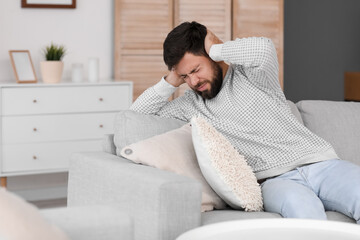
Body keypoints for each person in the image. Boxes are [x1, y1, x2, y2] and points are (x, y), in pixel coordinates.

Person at [130, 21, 360, 223]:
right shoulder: (190, 105)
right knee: (305, 214)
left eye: (195, 70)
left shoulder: (253, 74)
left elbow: (263, 48)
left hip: (322, 164)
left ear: (211, 56)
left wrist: (217, 47)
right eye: (184, 76)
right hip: (275, 181)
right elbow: (135, 116)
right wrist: (170, 81)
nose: (192, 81)